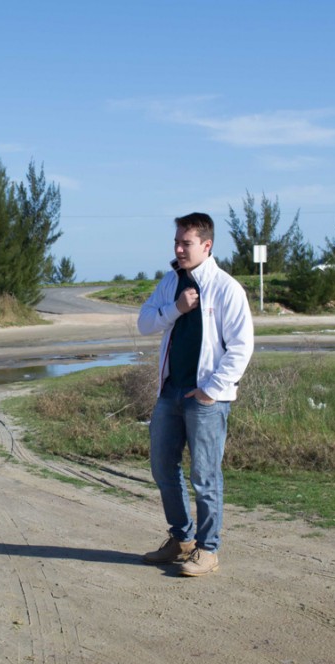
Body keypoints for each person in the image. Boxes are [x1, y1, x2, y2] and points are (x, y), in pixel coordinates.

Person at [136, 212, 254, 576]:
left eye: (186, 243)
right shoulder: (171, 282)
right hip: (170, 393)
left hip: (205, 398)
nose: (178, 249)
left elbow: (241, 347)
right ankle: (182, 539)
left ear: (207, 245)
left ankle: (208, 549)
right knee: (162, 468)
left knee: (204, 476)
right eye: (176, 242)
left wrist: (211, 390)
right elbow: (145, 323)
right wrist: (177, 308)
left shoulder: (226, 288)